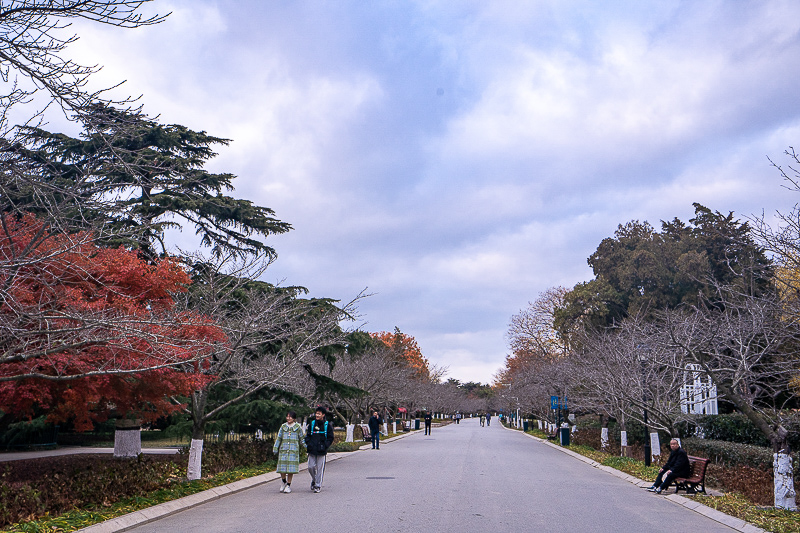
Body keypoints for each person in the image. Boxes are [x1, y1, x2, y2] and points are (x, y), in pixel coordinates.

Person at [273, 411, 305, 494]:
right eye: (287, 416)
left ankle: (288, 485)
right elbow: (279, 438)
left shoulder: (298, 427)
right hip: (283, 450)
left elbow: (302, 439)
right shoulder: (283, 426)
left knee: (291, 470)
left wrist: (307, 447)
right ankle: (283, 481)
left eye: (290, 417)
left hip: (293, 451)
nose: (288, 418)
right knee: (282, 468)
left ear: (294, 418)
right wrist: (275, 447)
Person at [305, 406, 335, 493]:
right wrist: (309, 443)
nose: (317, 415)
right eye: (316, 413)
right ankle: (314, 480)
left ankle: (317, 485)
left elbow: (330, 437)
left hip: (321, 450)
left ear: (323, 415)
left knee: (320, 468)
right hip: (312, 450)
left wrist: (325, 445)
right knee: (310, 467)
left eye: (319, 413)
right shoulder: (312, 424)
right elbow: (308, 436)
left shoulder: (327, 425)